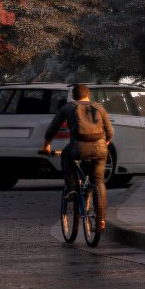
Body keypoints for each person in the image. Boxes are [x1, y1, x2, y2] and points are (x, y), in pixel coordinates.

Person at [37, 83, 113, 241]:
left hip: (78, 147)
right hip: (100, 149)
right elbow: (110, 132)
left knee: (66, 155)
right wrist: (103, 145)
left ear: (73, 96)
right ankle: (101, 220)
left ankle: (71, 187)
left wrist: (46, 146)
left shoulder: (68, 107)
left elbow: (52, 128)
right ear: (88, 95)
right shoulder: (99, 107)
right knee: (98, 182)